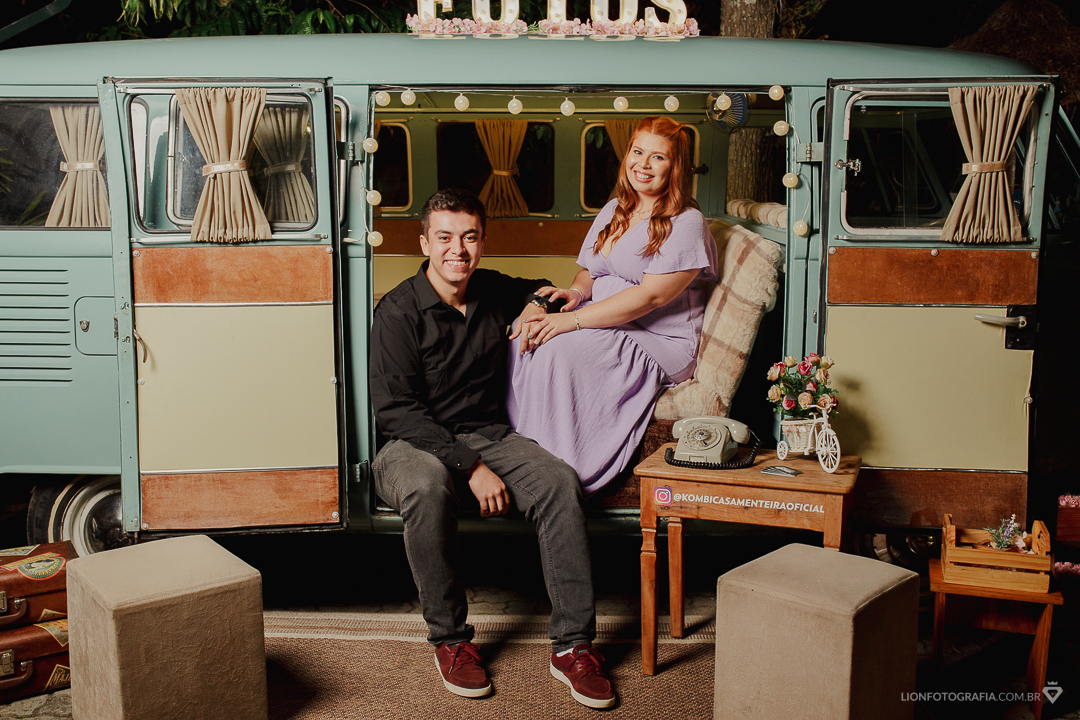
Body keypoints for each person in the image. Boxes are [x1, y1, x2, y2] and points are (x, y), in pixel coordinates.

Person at [369, 188, 615, 709]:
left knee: (558, 483)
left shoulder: (491, 288)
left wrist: (536, 304)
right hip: (410, 442)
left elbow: (540, 289)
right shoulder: (397, 310)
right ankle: (451, 641)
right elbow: (396, 411)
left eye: (469, 237)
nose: (457, 249)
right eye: (444, 238)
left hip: (487, 433)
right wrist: (471, 466)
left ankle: (572, 646)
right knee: (426, 487)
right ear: (425, 243)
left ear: (481, 242)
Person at [507, 116, 718, 496]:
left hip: (657, 339)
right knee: (523, 337)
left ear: (676, 167)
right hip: (606, 319)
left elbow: (651, 296)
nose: (643, 164)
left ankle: (557, 471)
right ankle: (523, 452)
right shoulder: (614, 209)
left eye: (658, 157)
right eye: (637, 152)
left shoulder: (687, 222)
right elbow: (590, 271)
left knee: (557, 351)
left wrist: (572, 321)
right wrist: (576, 293)